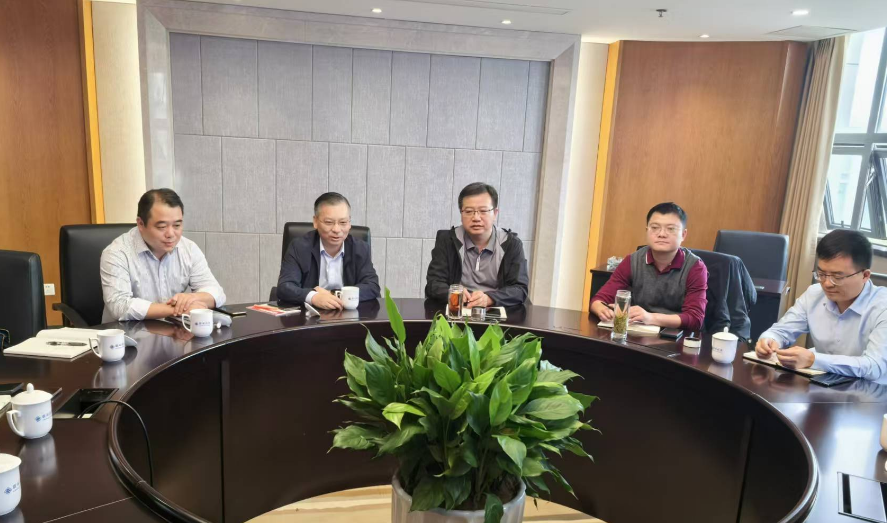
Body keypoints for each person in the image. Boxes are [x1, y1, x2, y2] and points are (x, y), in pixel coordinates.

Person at [755, 230, 887, 380]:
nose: (827, 284)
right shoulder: (814, 294)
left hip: (870, 391)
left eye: (837, 277)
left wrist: (814, 360)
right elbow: (781, 331)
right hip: (822, 385)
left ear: (865, 275)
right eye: (822, 274)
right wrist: (769, 340)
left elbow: (874, 366)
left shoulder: (882, 307)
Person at [100, 188, 226, 322]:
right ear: (141, 224)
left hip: (172, 330)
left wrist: (192, 298)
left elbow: (217, 293)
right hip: (127, 332)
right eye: (162, 227)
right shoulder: (117, 253)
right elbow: (119, 306)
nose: (171, 234)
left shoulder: (189, 249)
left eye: (177, 225)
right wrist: (178, 309)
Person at [591, 202, 707, 331]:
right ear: (647, 231)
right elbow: (599, 300)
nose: (662, 234)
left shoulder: (695, 267)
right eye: (655, 228)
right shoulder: (632, 261)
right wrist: (601, 309)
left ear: (683, 235)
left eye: (671, 229)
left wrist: (651, 317)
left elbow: (695, 319)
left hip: (675, 336)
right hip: (637, 333)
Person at [425, 182, 529, 308]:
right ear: (461, 213)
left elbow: (519, 289)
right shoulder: (448, 240)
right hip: (457, 309)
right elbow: (433, 284)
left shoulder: (511, 244)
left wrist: (490, 298)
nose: (476, 218)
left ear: (495, 213)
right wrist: (453, 293)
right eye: (469, 211)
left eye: (483, 211)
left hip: (494, 311)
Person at [276, 192, 380, 309]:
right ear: (315, 222)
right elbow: (285, 287)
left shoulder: (360, 248)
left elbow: (372, 286)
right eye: (329, 222)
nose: (336, 229)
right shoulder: (299, 247)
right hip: (310, 315)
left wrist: (332, 295)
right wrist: (314, 297)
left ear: (349, 223)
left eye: (343, 222)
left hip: (348, 315)